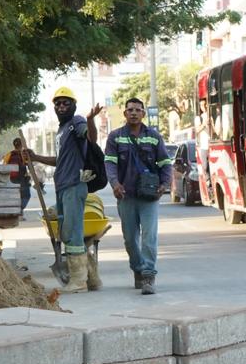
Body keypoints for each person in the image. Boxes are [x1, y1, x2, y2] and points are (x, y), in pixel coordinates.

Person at [27, 88, 102, 294]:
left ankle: (78, 281)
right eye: (58, 103)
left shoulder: (77, 122)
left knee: (72, 233)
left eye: (65, 103)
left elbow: (91, 138)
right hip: (63, 186)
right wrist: (35, 157)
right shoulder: (62, 130)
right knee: (69, 232)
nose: (61, 106)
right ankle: (92, 278)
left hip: (73, 185)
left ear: (73, 105)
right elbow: (60, 161)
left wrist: (90, 120)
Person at [104, 98, 172, 295]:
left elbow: (165, 163)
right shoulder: (115, 137)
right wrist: (115, 184)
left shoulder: (154, 137)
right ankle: (138, 269)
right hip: (126, 196)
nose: (133, 113)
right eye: (130, 110)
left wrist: (164, 184)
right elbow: (110, 163)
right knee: (130, 240)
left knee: (149, 237)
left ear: (143, 114)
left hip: (149, 197)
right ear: (125, 114)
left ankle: (148, 275)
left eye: (137, 110)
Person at [3, 138, 32, 213]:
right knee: (26, 196)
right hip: (22, 180)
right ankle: (19, 210)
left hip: (11, 180)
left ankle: (17, 211)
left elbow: (4, 166)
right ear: (22, 145)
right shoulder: (24, 154)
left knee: (13, 197)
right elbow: (29, 165)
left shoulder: (8, 154)